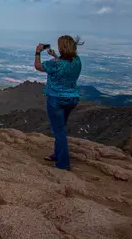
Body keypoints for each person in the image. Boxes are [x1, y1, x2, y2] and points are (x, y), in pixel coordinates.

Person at [34, 35, 83, 170]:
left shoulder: (54, 64)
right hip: (72, 99)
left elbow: (38, 66)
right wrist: (55, 55)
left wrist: (38, 52)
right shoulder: (77, 61)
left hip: (56, 100)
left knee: (59, 131)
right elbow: (65, 65)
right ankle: (56, 154)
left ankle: (63, 164)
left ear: (62, 48)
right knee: (61, 128)